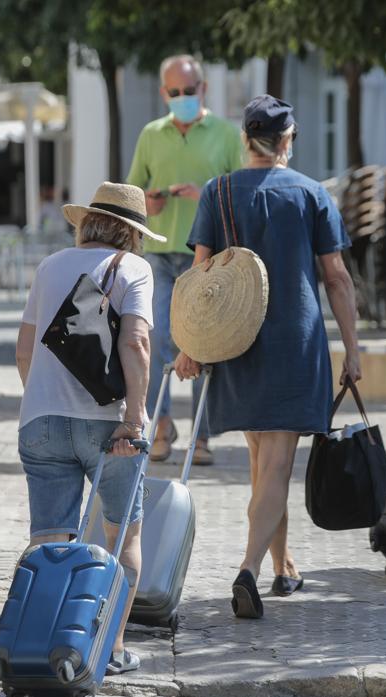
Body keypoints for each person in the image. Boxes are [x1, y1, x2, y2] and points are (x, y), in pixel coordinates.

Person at [175, 95, 362, 619]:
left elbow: (200, 277)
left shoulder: (218, 192)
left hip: (236, 342)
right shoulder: (310, 194)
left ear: (244, 140)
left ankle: (283, 566)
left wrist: (190, 345)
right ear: (287, 141)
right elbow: (337, 277)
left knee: (264, 465)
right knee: (277, 465)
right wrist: (351, 347)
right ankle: (248, 571)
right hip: (293, 342)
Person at [14, 182, 163, 673]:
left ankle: (46, 647)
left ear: (89, 223)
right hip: (108, 426)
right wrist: (134, 418)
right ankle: (110, 650)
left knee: (50, 542)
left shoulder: (50, 265)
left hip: (41, 420)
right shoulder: (134, 269)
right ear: (132, 233)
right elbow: (136, 343)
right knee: (122, 537)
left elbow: (25, 348)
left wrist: (45, 400)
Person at [126, 54, 242, 466]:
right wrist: (149, 202)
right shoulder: (151, 135)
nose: (181, 98)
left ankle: (202, 435)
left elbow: (242, 195)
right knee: (155, 343)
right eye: (173, 92)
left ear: (203, 90)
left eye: (188, 91)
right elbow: (132, 194)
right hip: (158, 255)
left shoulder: (228, 135)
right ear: (163, 94)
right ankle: (160, 427)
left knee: (203, 346)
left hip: (208, 259)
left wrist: (207, 194)